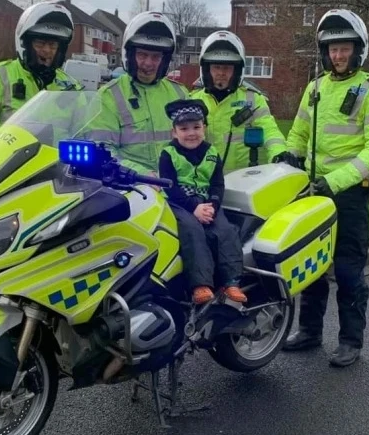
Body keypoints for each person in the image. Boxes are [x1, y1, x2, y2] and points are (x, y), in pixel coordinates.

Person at [282, 9, 369, 367]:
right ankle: (310, 331)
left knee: (347, 271)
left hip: (348, 195)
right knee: (310, 267)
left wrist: (334, 181)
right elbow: (298, 133)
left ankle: (350, 341)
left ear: (358, 50)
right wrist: (289, 158)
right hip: (314, 190)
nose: (338, 55)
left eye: (344, 48)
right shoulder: (315, 88)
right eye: (332, 49)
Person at [158, 99, 246, 305]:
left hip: (207, 202)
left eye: (197, 127)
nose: (191, 133)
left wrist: (212, 207)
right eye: (184, 128)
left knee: (225, 230)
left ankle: (231, 281)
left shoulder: (212, 153)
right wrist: (193, 208)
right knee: (192, 230)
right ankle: (200, 285)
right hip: (180, 203)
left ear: (204, 128)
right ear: (174, 132)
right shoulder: (168, 154)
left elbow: (217, 185)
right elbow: (170, 186)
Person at [89, 11, 188, 175]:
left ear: (164, 60)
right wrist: (140, 173)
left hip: (176, 188)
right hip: (130, 188)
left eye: (156, 56)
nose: (148, 63)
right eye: (142, 55)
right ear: (130, 55)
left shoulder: (180, 93)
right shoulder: (109, 95)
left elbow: (193, 143)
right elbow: (102, 150)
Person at [0, 2, 81, 139]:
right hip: (11, 159)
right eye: (40, 43)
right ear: (25, 44)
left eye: (53, 45)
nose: (47, 50)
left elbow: (85, 130)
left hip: (59, 160)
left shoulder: (71, 86)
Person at [191, 31, 294, 174]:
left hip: (243, 183)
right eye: (216, 67)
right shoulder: (193, 102)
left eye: (227, 68)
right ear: (206, 69)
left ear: (237, 70)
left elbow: (270, 130)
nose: (221, 73)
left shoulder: (253, 100)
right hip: (204, 182)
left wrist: (279, 153)